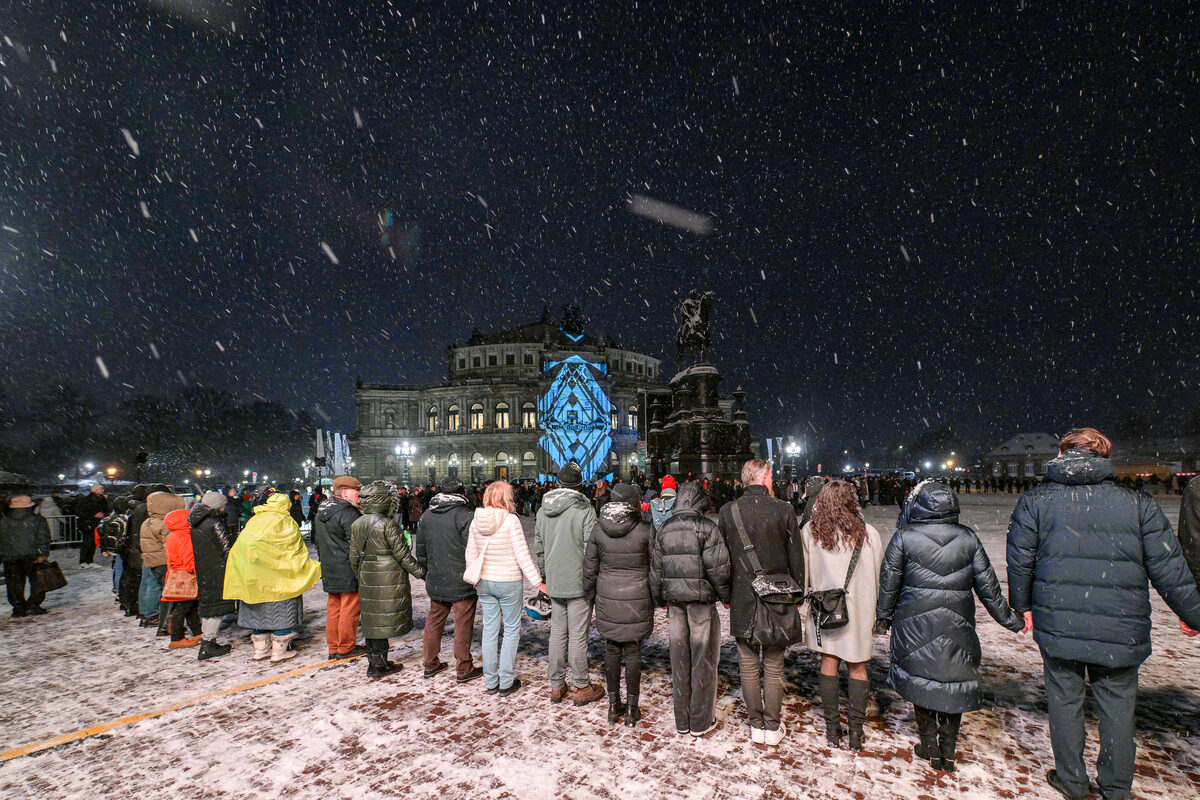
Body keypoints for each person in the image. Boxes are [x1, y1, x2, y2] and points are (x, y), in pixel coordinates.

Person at [1006, 428, 1200, 800]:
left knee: (1064, 702)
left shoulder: (1038, 501)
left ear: (1063, 455)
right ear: (1104, 456)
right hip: (1120, 626)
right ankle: (1115, 786)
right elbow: (1169, 565)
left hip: (1060, 623)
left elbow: (1020, 560)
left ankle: (1072, 780)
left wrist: (1023, 605)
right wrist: (1191, 613)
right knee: (1118, 708)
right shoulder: (1135, 502)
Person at [876, 479, 1023, 772]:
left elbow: (889, 583)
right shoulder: (967, 538)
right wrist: (1011, 619)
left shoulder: (905, 537)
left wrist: (883, 616)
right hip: (957, 620)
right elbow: (988, 588)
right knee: (952, 679)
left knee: (922, 677)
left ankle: (929, 743)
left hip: (915, 620)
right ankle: (948, 749)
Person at [718, 459, 803, 745]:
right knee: (775, 663)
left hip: (743, 593)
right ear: (765, 478)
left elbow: (724, 559)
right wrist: (798, 591)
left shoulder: (728, 511)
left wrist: (726, 593)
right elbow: (796, 557)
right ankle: (772, 724)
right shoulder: (784, 509)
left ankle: (756, 723)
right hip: (777, 595)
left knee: (748, 663)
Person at [801, 479, 882, 751]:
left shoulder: (811, 533)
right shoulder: (869, 533)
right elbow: (878, 573)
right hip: (859, 608)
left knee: (829, 660)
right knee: (858, 665)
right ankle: (856, 732)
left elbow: (805, 574)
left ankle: (832, 729)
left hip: (826, 608)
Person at [649, 481, 731, 736]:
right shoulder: (707, 527)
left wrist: (657, 598)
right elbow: (719, 569)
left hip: (675, 604)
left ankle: (682, 719)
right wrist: (725, 595)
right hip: (701, 604)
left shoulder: (664, 528)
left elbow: (656, 569)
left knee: (679, 659)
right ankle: (700, 720)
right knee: (703, 659)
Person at [583, 483, 654, 726]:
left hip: (608, 595)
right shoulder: (645, 529)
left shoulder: (598, 529)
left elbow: (590, 568)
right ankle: (632, 710)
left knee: (612, 650)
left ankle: (614, 706)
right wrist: (656, 596)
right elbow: (656, 567)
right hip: (637, 596)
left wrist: (589, 593)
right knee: (633, 652)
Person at [224, 492, 322, 664]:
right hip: (279, 578)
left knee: (258, 613)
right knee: (281, 613)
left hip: (253, 576)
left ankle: (260, 650)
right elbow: (294, 549)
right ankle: (279, 651)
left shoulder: (255, 520)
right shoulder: (285, 521)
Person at [466, 480, 543, 695]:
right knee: (511, 630)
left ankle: (491, 681)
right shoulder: (510, 521)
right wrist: (538, 582)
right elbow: (522, 555)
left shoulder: (476, 521)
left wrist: (474, 577)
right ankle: (506, 680)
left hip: (485, 581)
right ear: (506, 498)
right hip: (508, 581)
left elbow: (470, 553)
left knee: (489, 630)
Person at [535, 462, 603, 706]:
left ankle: (556, 686)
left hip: (555, 581)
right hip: (578, 582)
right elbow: (590, 548)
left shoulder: (543, 510)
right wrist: (591, 578)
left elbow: (539, 548)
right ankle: (582, 686)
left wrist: (545, 576)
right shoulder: (584, 509)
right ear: (579, 484)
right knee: (577, 635)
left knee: (557, 634)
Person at [350, 481, 427, 678]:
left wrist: (362, 575)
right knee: (383, 622)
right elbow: (403, 557)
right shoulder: (387, 524)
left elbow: (353, 557)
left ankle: (374, 662)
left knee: (372, 621)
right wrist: (423, 573)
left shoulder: (357, 523)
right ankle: (380, 665)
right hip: (389, 577)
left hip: (367, 576)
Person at [415, 476, 483, 682]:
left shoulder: (427, 515)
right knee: (463, 621)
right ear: (462, 493)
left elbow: (421, 550)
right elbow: (472, 549)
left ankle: (430, 663)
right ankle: (463, 667)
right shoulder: (466, 516)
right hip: (461, 578)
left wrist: (427, 571)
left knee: (435, 619)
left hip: (436, 577)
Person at [312, 475, 366, 660]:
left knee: (334, 607)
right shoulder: (348, 513)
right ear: (346, 492)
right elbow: (357, 544)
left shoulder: (322, 511)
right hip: (347, 567)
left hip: (330, 566)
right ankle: (346, 647)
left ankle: (334, 646)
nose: (359, 495)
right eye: (357, 491)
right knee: (350, 608)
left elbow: (317, 541)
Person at [187, 491, 237, 659]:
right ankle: (208, 643)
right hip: (218, 568)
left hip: (204, 567)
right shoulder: (216, 522)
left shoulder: (197, 522)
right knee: (217, 606)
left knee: (209, 605)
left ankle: (206, 640)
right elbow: (226, 548)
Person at [141, 489, 186, 636]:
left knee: (156, 589)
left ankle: (150, 615)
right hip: (164, 562)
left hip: (152, 561)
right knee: (170, 594)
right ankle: (166, 624)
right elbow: (172, 544)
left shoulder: (148, 522)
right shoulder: (165, 524)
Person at [1, 495, 51, 617]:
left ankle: (18, 607)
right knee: (38, 581)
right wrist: (43, 553)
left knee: (14, 583)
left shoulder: (4, 520)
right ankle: (33, 604)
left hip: (10, 556)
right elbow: (43, 538)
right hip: (33, 556)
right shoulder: (37, 520)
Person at [162, 507, 203, 649]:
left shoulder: (173, 535)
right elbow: (189, 559)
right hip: (185, 576)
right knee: (182, 608)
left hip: (175, 574)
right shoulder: (184, 536)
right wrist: (198, 570)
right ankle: (177, 638)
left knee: (189, 606)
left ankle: (197, 632)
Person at [76, 483, 111, 567]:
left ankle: (90, 561)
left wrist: (104, 514)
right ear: (95, 490)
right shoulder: (87, 500)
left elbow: (106, 509)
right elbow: (81, 511)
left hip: (96, 523)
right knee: (87, 542)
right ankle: (83, 561)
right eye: (101, 489)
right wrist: (93, 515)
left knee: (93, 543)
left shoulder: (102, 500)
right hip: (87, 524)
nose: (103, 490)